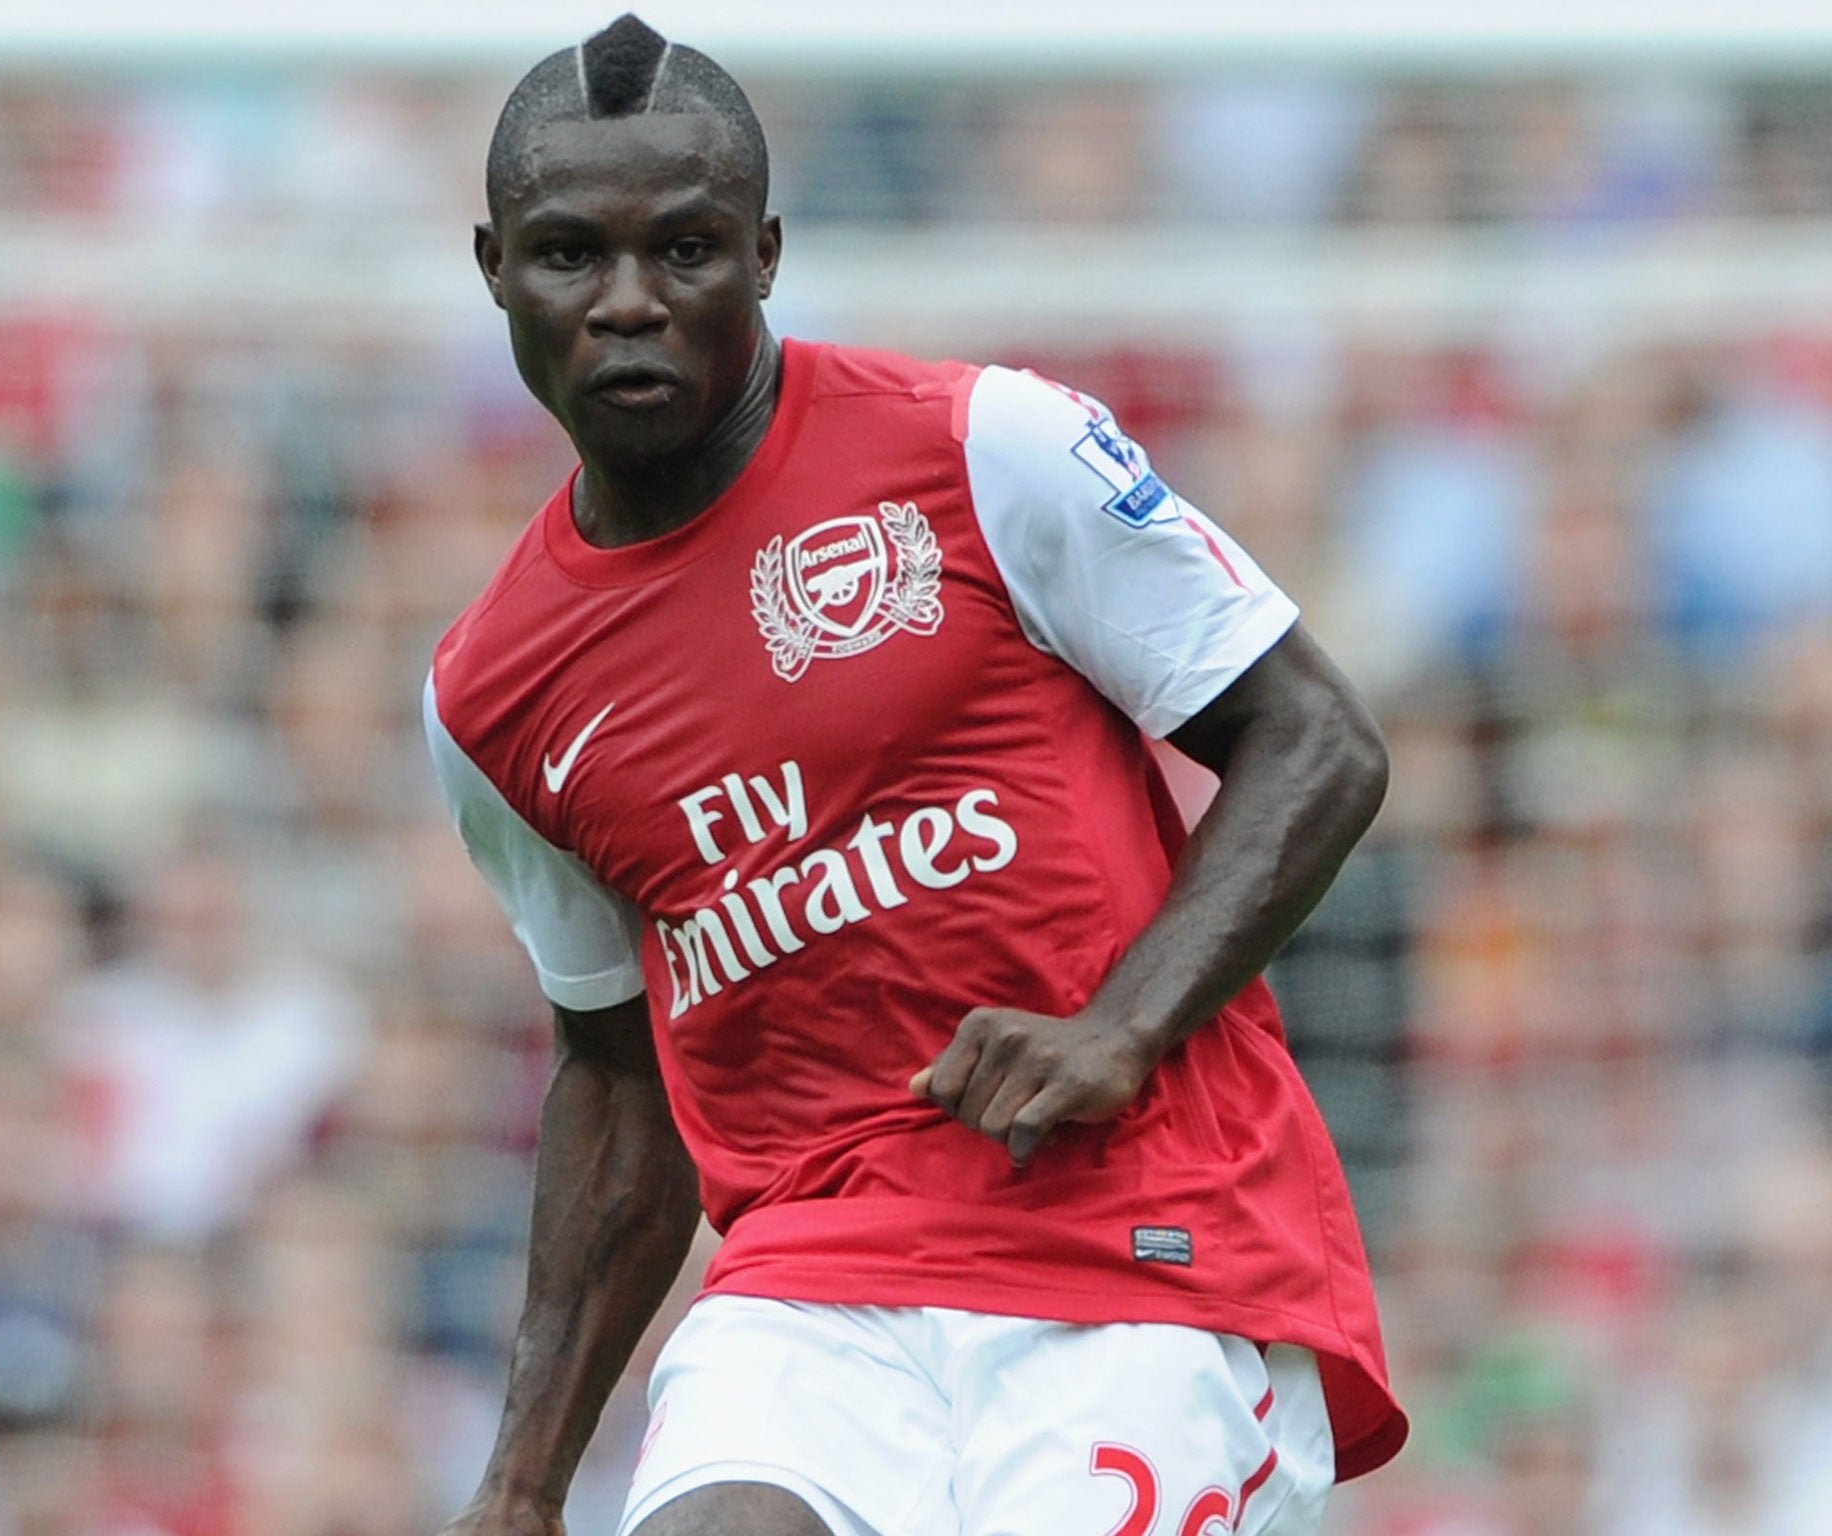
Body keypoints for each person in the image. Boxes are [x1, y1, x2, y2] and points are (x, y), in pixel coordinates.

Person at [423, 15, 1407, 1536]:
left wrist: (1119, 1029)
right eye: (570, 257)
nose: (627, 303)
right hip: (813, 1286)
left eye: (683, 251)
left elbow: (1316, 738)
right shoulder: (492, 693)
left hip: (1136, 1249)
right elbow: (617, 1076)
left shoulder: (980, 448)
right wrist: (521, 1480)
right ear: (494, 265)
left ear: (765, 251)